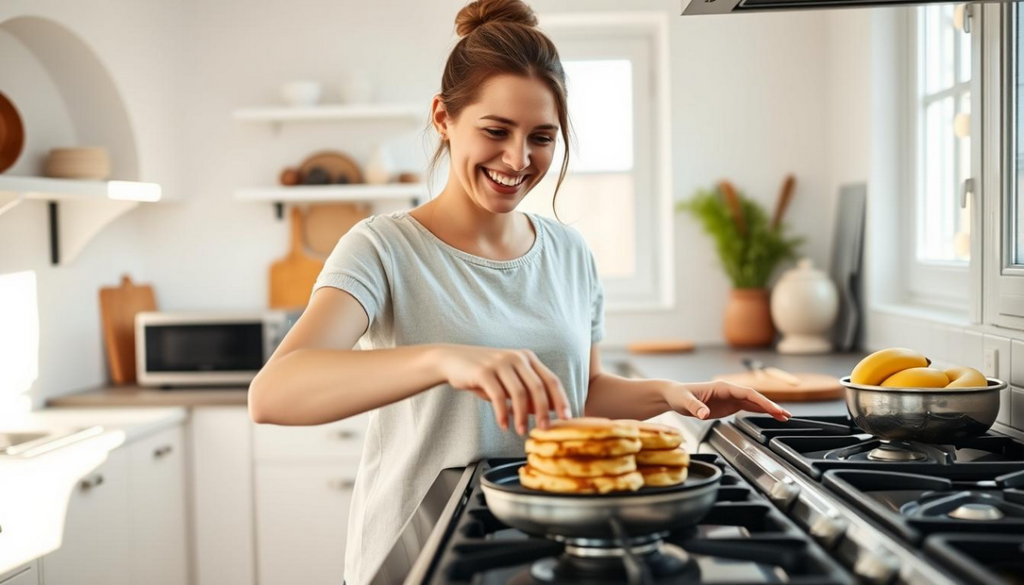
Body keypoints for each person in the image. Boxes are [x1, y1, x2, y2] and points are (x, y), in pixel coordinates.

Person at [247, 1, 792, 582]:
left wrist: (676, 392)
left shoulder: (569, 252)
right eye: (495, 131)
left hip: (546, 545)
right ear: (442, 117)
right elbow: (274, 394)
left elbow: (576, 394)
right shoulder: (382, 248)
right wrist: (443, 359)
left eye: (542, 137)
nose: (518, 159)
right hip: (422, 549)